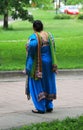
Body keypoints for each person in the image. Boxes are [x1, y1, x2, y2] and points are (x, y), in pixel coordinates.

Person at [25, 20, 57, 114]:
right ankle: (49, 105)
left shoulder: (34, 37)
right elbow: (53, 48)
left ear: (34, 28)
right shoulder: (49, 35)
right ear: (42, 27)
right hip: (49, 63)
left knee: (36, 83)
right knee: (48, 82)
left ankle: (40, 107)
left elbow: (32, 45)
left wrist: (28, 47)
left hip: (39, 65)